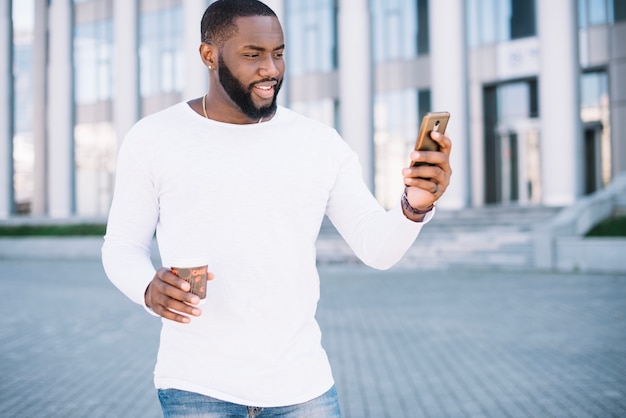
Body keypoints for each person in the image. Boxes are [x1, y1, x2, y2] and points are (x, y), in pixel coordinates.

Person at [101, 0, 452, 416]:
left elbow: (376, 250)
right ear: (209, 56)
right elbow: (121, 246)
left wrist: (414, 207)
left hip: (302, 387)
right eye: (253, 55)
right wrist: (146, 287)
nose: (271, 68)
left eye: (279, 53)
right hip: (195, 385)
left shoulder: (320, 144)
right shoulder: (154, 138)